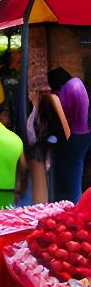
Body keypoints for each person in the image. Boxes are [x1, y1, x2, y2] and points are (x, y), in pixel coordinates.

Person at [48, 68, 91, 202]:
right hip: (84, 135)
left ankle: (70, 206)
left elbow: (63, 116)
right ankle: (72, 204)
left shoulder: (67, 89)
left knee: (69, 172)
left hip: (73, 135)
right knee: (74, 171)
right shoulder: (77, 83)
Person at [26, 88, 70, 203]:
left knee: (41, 180)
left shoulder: (47, 102)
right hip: (44, 143)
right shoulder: (47, 102)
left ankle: (41, 208)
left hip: (42, 145)